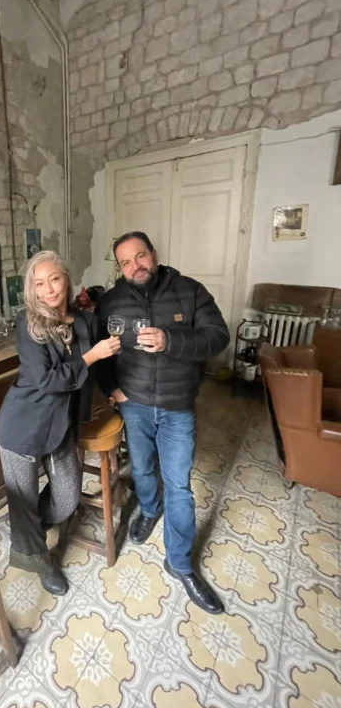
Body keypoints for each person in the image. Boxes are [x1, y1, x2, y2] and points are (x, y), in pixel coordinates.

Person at [97, 231, 230, 614]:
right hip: (134, 404)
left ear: (153, 254)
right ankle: (149, 510)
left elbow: (218, 336)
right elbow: (100, 352)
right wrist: (112, 388)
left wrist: (171, 340)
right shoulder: (111, 301)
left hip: (177, 406)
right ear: (119, 268)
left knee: (179, 485)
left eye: (140, 256)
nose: (135, 266)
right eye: (125, 262)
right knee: (141, 469)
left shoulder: (189, 290)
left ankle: (180, 563)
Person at [0, 250, 120, 596]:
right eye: (39, 283)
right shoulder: (28, 326)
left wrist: (98, 402)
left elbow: (93, 373)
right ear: (32, 289)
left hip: (61, 425)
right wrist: (90, 356)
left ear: (67, 279)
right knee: (22, 500)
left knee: (67, 497)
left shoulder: (83, 322)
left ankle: (26, 525)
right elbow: (46, 380)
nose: (48, 289)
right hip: (22, 426)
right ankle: (38, 559)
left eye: (54, 279)